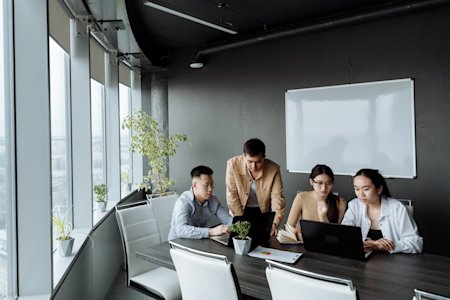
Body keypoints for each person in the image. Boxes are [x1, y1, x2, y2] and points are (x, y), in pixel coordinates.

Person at [342, 168, 423, 254]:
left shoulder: (397, 208)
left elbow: (416, 244)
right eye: (357, 189)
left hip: (393, 262)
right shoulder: (354, 205)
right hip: (364, 259)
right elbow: (343, 235)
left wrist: (388, 246)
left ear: (379, 189)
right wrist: (372, 243)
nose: (361, 194)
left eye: (366, 189)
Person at [226, 138, 285, 236]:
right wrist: (239, 220)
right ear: (243, 156)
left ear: (264, 157)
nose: (253, 166)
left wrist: (275, 222)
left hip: (263, 211)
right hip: (239, 210)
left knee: (263, 243)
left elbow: (277, 198)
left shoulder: (273, 169)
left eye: (258, 162)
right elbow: (232, 194)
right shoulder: (233, 164)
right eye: (250, 162)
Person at [168, 165, 232, 240]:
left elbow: (228, 220)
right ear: (194, 185)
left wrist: (235, 227)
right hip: (178, 243)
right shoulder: (183, 202)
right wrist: (211, 231)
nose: (210, 189)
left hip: (198, 241)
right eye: (206, 185)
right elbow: (181, 230)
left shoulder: (213, 200)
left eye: (212, 184)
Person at [286, 164, 347, 240]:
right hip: (305, 243)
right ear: (311, 182)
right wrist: (297, 233)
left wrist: (323, 217)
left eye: (328, 183)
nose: (324, 188)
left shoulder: (340, 202)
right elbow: (289, 226)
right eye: (319, 183)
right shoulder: (301, 197)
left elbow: (334, 235)